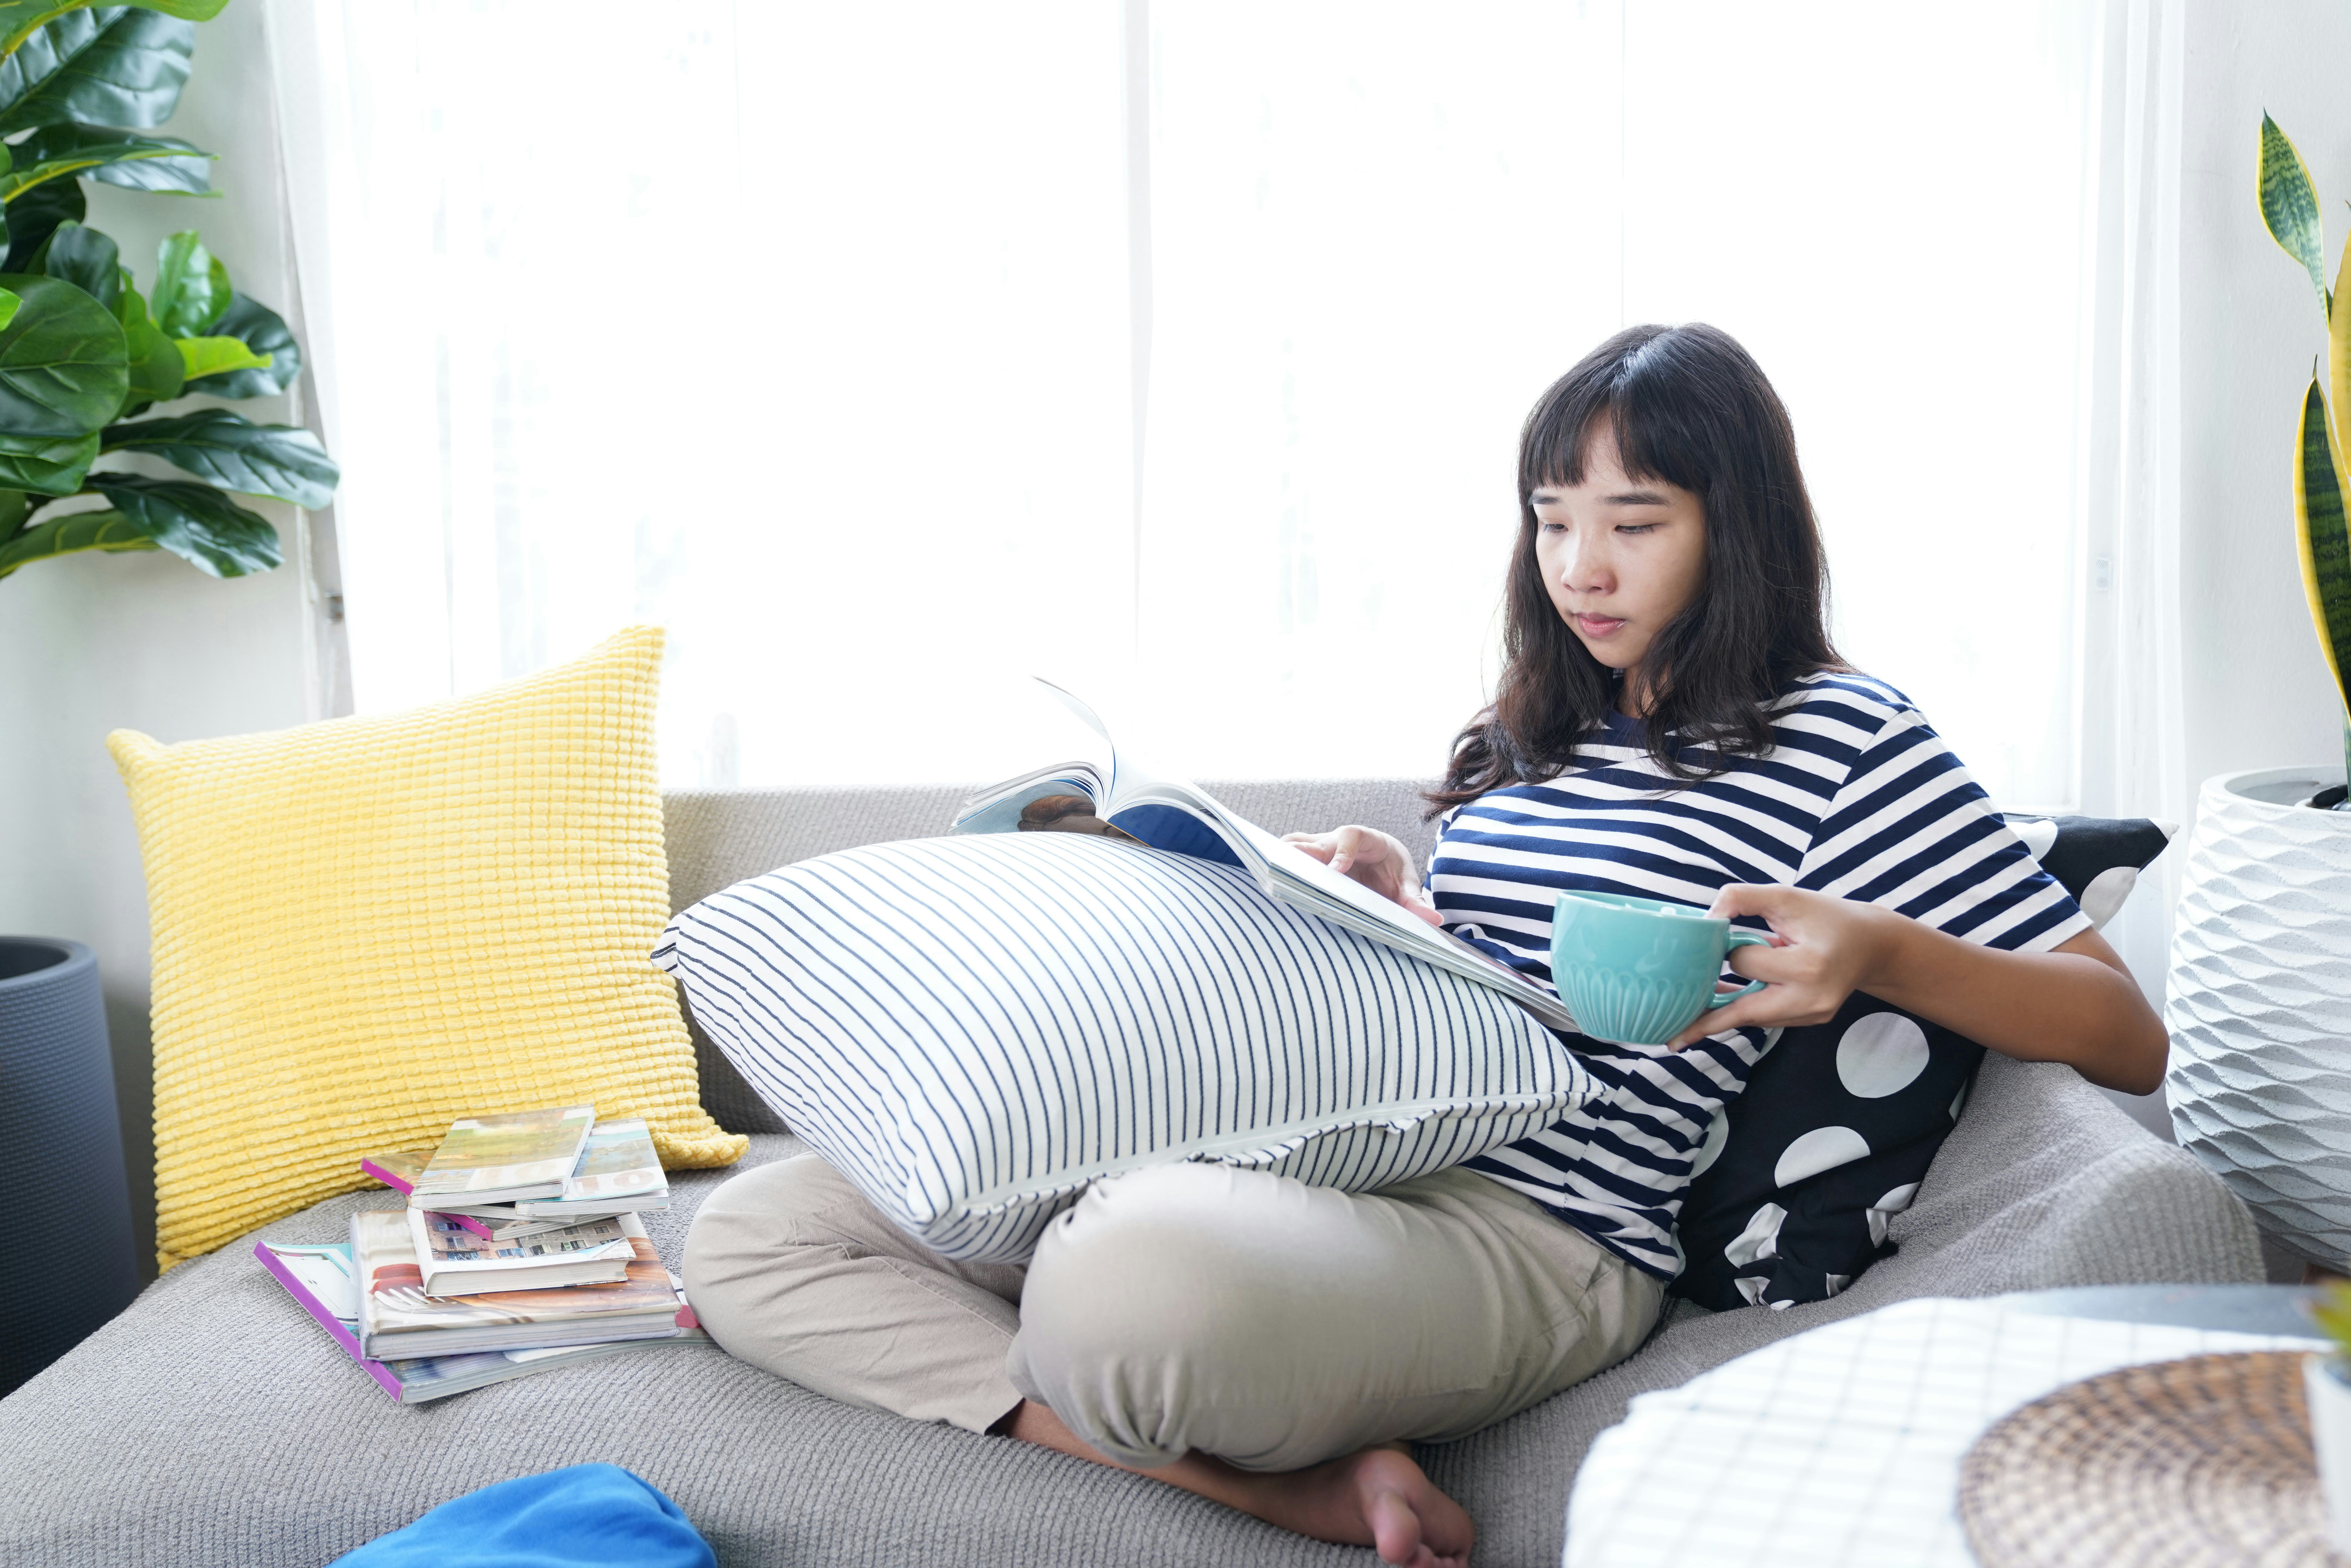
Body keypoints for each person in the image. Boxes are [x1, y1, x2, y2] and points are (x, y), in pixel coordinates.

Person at [682, 323, 2167, 1568]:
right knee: (760, 1232)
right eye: (1550, 517)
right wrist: (1391, 903)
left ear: (1740, 529)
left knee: (1120, 1289)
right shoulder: (1533, 728)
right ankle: (1271, 1488)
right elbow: (1483, 996)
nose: (1581, 565)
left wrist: (1879, 953)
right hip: (1336, 1158)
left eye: (1633, 522)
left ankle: (1126, 1329)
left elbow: (2120, 1032)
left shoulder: (1845, 739)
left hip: (1540, 1234)